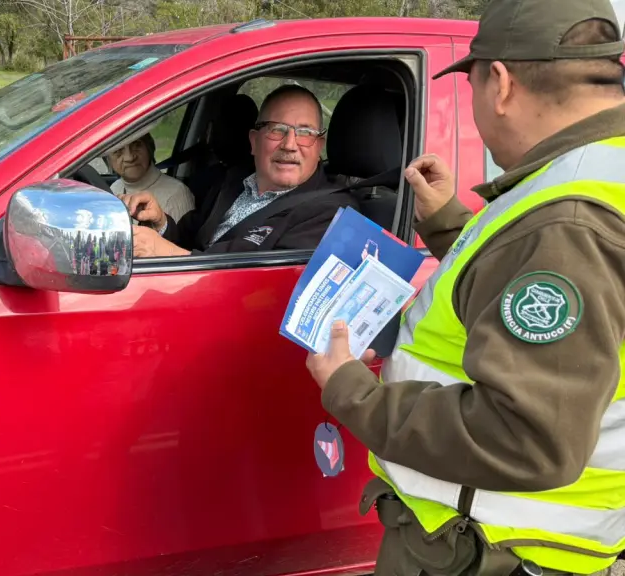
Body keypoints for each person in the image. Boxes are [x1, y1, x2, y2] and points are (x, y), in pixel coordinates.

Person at [305, 1, 625, 575]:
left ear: (499, 83)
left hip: (491, 550)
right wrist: (450, 223)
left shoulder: (567, 219)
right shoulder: (596, 175)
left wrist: (355, 392)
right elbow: (526, 304)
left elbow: (525, 435)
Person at [125, 85, 363, 257]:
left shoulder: (333, 215)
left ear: (319, 145)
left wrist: (167, 253)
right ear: (254, 141)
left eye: (305, 132)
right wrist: (160, 223)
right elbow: (192, 237)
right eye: (277, 130)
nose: (290, 144)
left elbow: (261, 286)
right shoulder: (234, 181)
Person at [107, 131, 195, 223]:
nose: (129, 157)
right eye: (118, 150)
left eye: (137, 145)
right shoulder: (113, 189)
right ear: (108, 160)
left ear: (149, 148)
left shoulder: (177, 195)